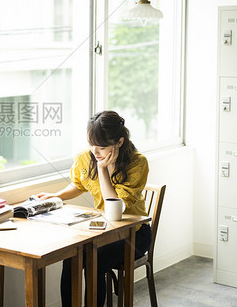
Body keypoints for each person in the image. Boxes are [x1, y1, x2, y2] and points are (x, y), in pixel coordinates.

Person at [36, 110, 151, 307]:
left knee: (94, 261)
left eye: (102, 147)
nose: (95, 152)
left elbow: (114, 209)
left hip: (134, 235)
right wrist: (57, 196)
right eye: (91, 144)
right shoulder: (85, 157)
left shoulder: (137, 163)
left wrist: (102, 170)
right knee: (71, 258)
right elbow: (78, 185)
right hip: (105, 231)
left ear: (119, 142)